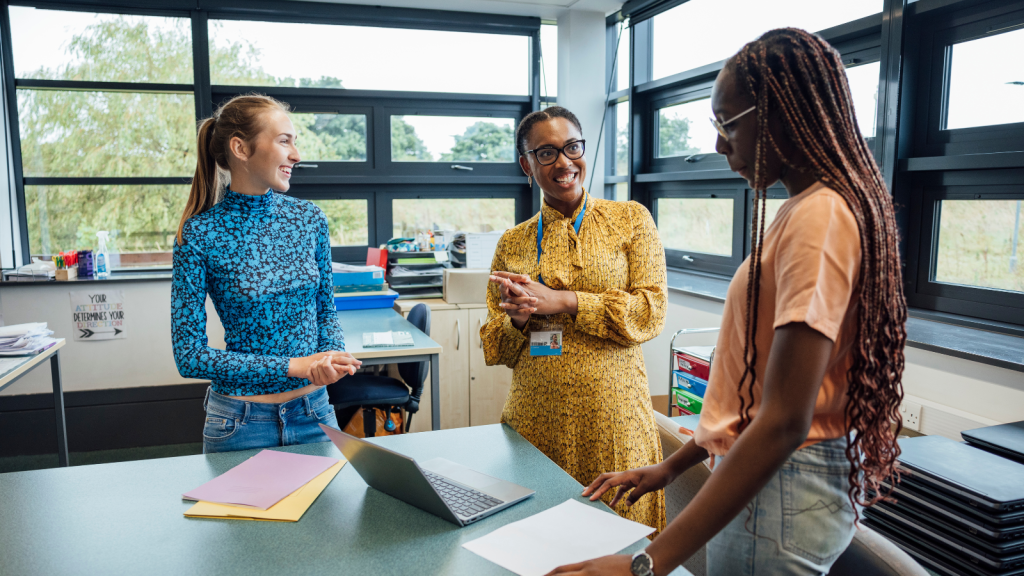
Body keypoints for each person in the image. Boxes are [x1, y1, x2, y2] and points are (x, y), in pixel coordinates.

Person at [551, 28, 908, 576]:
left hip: (784, 482)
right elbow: (756, 394)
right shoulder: (808, 208)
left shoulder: (821, 216)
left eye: (727, 124)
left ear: (782, 115)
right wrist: (672, 468)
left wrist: (644, 565)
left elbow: (785, 420)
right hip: (775, 476)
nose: (720, 146)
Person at [481, 106, 668, 533]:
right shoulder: (513, 242)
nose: (564, 162)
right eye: (546, 153)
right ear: (526, 164)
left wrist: (565, 301)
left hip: (615, 420)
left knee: (621, 538)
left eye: (572, 147)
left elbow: (650, 311)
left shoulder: (631, 219)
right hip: (535, 421)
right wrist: (519, 321)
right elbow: (495, 344)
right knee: (540, 539)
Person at [171, 94, 362, 454]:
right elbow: (189, 356)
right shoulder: (198, 234)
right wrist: (296, 365)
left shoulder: (310, 220)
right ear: (240, 148)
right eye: (284, 141)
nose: (296, 155)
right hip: (240, 423)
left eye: (295, 141)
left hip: (315, 415)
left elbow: (325, 311)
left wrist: (329, 357)